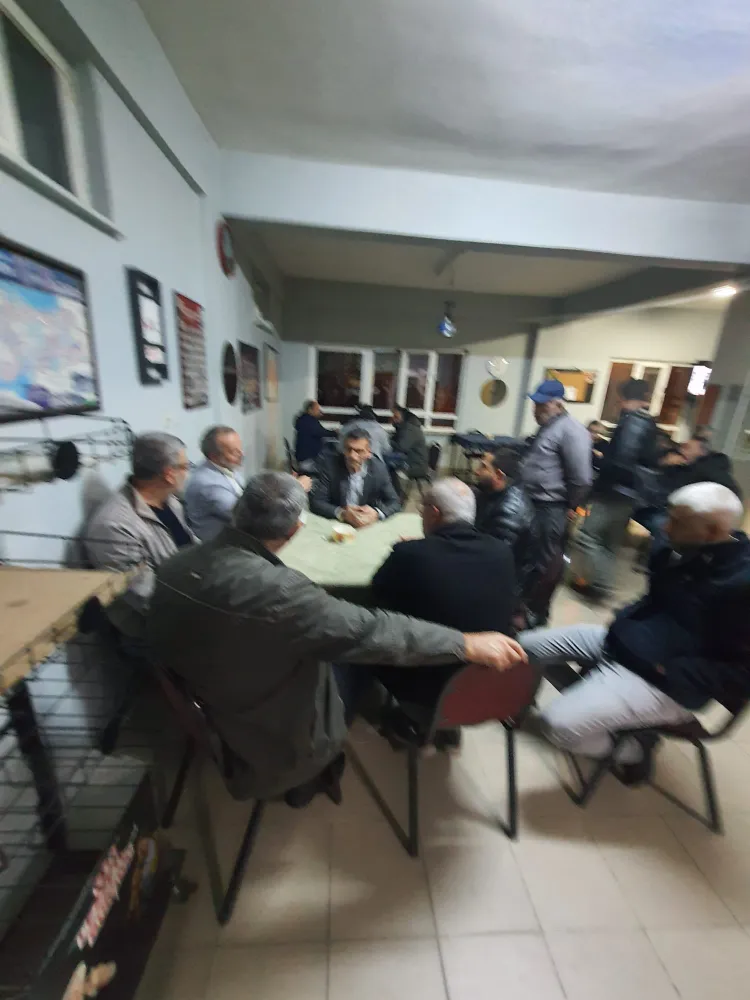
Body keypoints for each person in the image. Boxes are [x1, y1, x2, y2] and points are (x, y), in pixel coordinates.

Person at [147, 472, 528, 801]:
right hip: (271, 733)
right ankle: (317, 768)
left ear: (237, 512)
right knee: (352, 651)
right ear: (295, 530)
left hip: (206, 699)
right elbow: (369, 630)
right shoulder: (283, 592)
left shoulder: (173, 566)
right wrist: (464, 642)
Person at [521, 482, 750, 785]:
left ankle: (638, 749)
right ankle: (592, 698)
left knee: (558, 726)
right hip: (622, 643)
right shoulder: (683, 547)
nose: (666, 528)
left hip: (664, 681)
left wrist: (670, 670)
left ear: (712, 531)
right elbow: (652, 518)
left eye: (678, 522)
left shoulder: (740, 584)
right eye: (670, 517)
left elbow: (741, 675)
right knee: (521, 647)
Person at [371, 478, 517, 741]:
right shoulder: (502, 553)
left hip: (422, 686)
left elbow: (377, 596)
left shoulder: (410, 555)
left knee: (363, 634)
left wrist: (413, 549)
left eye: (423, 509)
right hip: (485, 681)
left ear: (434, 513)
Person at [84, 432, 194, 638]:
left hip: (191, 595)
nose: (188, 473)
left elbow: (191, 546)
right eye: (186, 467)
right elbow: (149, 597)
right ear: (169, 474)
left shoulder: (169, 501)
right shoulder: (114, 526)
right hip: (158, 628)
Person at [573, 379, 658, 600]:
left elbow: (621, 463)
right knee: (610, 542)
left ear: (623, 398)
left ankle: (600, 583)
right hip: (631, 493)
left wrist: (599, 476)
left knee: (587, 535)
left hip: (615, 491)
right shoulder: (647, 423)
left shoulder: (632, 422)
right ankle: (603, 583)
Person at [520, 379, 592, 626]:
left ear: (558, 404)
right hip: (534, 504)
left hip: (551, 507)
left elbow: (581, 478)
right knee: (531, 558)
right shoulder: (549, 427)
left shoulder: (572, 430)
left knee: (546, 563)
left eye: (543, 404)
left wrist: (571, 505)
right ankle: (525, 606)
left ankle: (537, 613)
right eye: (535, 404)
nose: (536, 409)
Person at [474, 446, 537, 615]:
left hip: (499, 592)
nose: (477, 471)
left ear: (499, 476)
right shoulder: (491, 494)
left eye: (483, 467)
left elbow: (491, 564)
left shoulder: (510, 512)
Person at [310, 426, 401, 526]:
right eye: (349, 449)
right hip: (337, 522)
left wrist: (376, 513)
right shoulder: (330, 466)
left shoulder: (379, 469)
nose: (352, 456)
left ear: (368, 453)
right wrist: (342, 513)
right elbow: (317, 502)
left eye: (359, 451)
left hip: (367, 521)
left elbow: (395, 502)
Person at [184, 426, 245, 541]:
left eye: (240, 448)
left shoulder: (226, 466)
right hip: (221, 546)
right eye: (234, 452)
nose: (241, 454)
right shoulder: (208, 484)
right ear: (214, 456)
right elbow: (244, 515)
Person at [391, 405, 429, 481]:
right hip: (413, 462)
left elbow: (401, 448)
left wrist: (388, 441)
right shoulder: (406, 427)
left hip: (415, 467)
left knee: (388, 465)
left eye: (396, 417)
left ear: (403, 417)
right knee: (388, 461)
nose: (393, 419)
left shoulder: (410, 429)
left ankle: (394, 488)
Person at [294, 400, 335, 471]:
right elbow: (322, 432)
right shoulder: (309, 421)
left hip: (305, 458)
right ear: (310, 410)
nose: (319, 411)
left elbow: (321, 432)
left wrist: (332, 432)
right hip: (308, 461)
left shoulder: (304, 419)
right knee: (332, 462)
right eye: (317, 409)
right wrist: (335, 433)